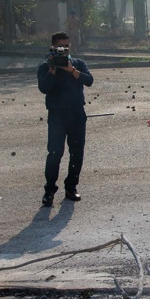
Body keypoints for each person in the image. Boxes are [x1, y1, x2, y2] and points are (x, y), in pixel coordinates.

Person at [38, 31, 94, 206]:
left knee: (77, 153)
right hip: (57, 116)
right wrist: (53, 69)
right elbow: (44, 88)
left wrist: (72, 70)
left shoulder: (77, 63)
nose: (65, 49)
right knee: (55, 153)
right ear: (53, 46)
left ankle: (71, 187)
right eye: (61, 46)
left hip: (77, 114)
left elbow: (89, 80)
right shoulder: (45, 66)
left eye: (67, 46)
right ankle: (49, 191)